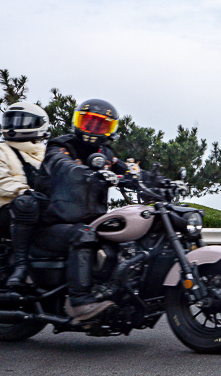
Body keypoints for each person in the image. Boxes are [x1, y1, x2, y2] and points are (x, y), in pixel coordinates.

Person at [34, 99, 132, 322]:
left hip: (88, 221)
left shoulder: (104, 152)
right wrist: (85, 172)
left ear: (110, 129)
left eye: (101, 125)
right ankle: (78, 301)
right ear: (77, 122)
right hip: (52, 225)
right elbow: (61, 164)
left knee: (121, 238)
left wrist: (153, 180)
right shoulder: (60, 145)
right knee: (83, 234)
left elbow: (126, 169)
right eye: (88, 123)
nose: (94, 130)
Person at [0, 102, 49, 288]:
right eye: (10, 121)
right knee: (26, 203)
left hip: (35, 207)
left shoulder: (47, 154)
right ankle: (21, 265)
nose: (13, 126)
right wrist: (24, 191)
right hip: (1, 210)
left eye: (21, 120)